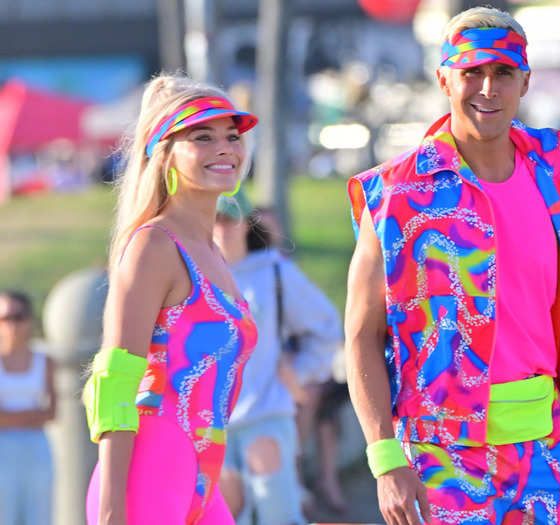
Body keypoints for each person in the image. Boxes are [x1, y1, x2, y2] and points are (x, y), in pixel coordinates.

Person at [344, 6, 560, 525]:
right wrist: (385, 458)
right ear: (443, 79)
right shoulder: (394, 195)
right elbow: (363, 334)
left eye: (503, 72)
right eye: (471, 72)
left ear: (525, 81)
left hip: (549, 456)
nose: (487, 88)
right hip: (441, 464)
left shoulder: (557, 190)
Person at [83, 73, 259, 525]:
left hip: (202, 473)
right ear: (165, 154)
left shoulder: (211, 251)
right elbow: (117, 376)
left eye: (232, 136)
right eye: (203, 136)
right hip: (148, 467)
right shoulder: (154, 245)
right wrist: (110, 511)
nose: (226, 148)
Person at [213, 194, 343, 524]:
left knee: (278, 515)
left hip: (266, 414)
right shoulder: (194, 275)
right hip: (211, 425)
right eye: (215, 218)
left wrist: (299, 372)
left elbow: (328, 328)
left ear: (246, 222)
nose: (223, 226)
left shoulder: (273, 272)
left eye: (230, 217)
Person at [0, 290, 56, 525]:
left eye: (19, 317)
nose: (13, 325)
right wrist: (31, 416)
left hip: (37, 446)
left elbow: (52, 412)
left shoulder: (45, 361)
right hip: (4, 448)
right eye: (6, 318)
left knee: (39, 513)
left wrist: (11, 417)